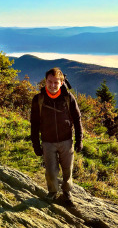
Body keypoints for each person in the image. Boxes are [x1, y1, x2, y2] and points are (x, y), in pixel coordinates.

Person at [30, 67, 83, 206]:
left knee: (67, 169)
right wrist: (36, 144)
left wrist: (79, 140)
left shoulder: (68, 97)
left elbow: (77, 119)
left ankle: (67, 191)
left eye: (56, 82)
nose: (52, 85)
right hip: (48, 142)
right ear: (45, 81)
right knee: (51, 171)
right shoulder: (38, 99)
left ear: (61, 82)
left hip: (66, 140)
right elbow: (34, 123)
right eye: (50, 82)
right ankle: (52, 192)